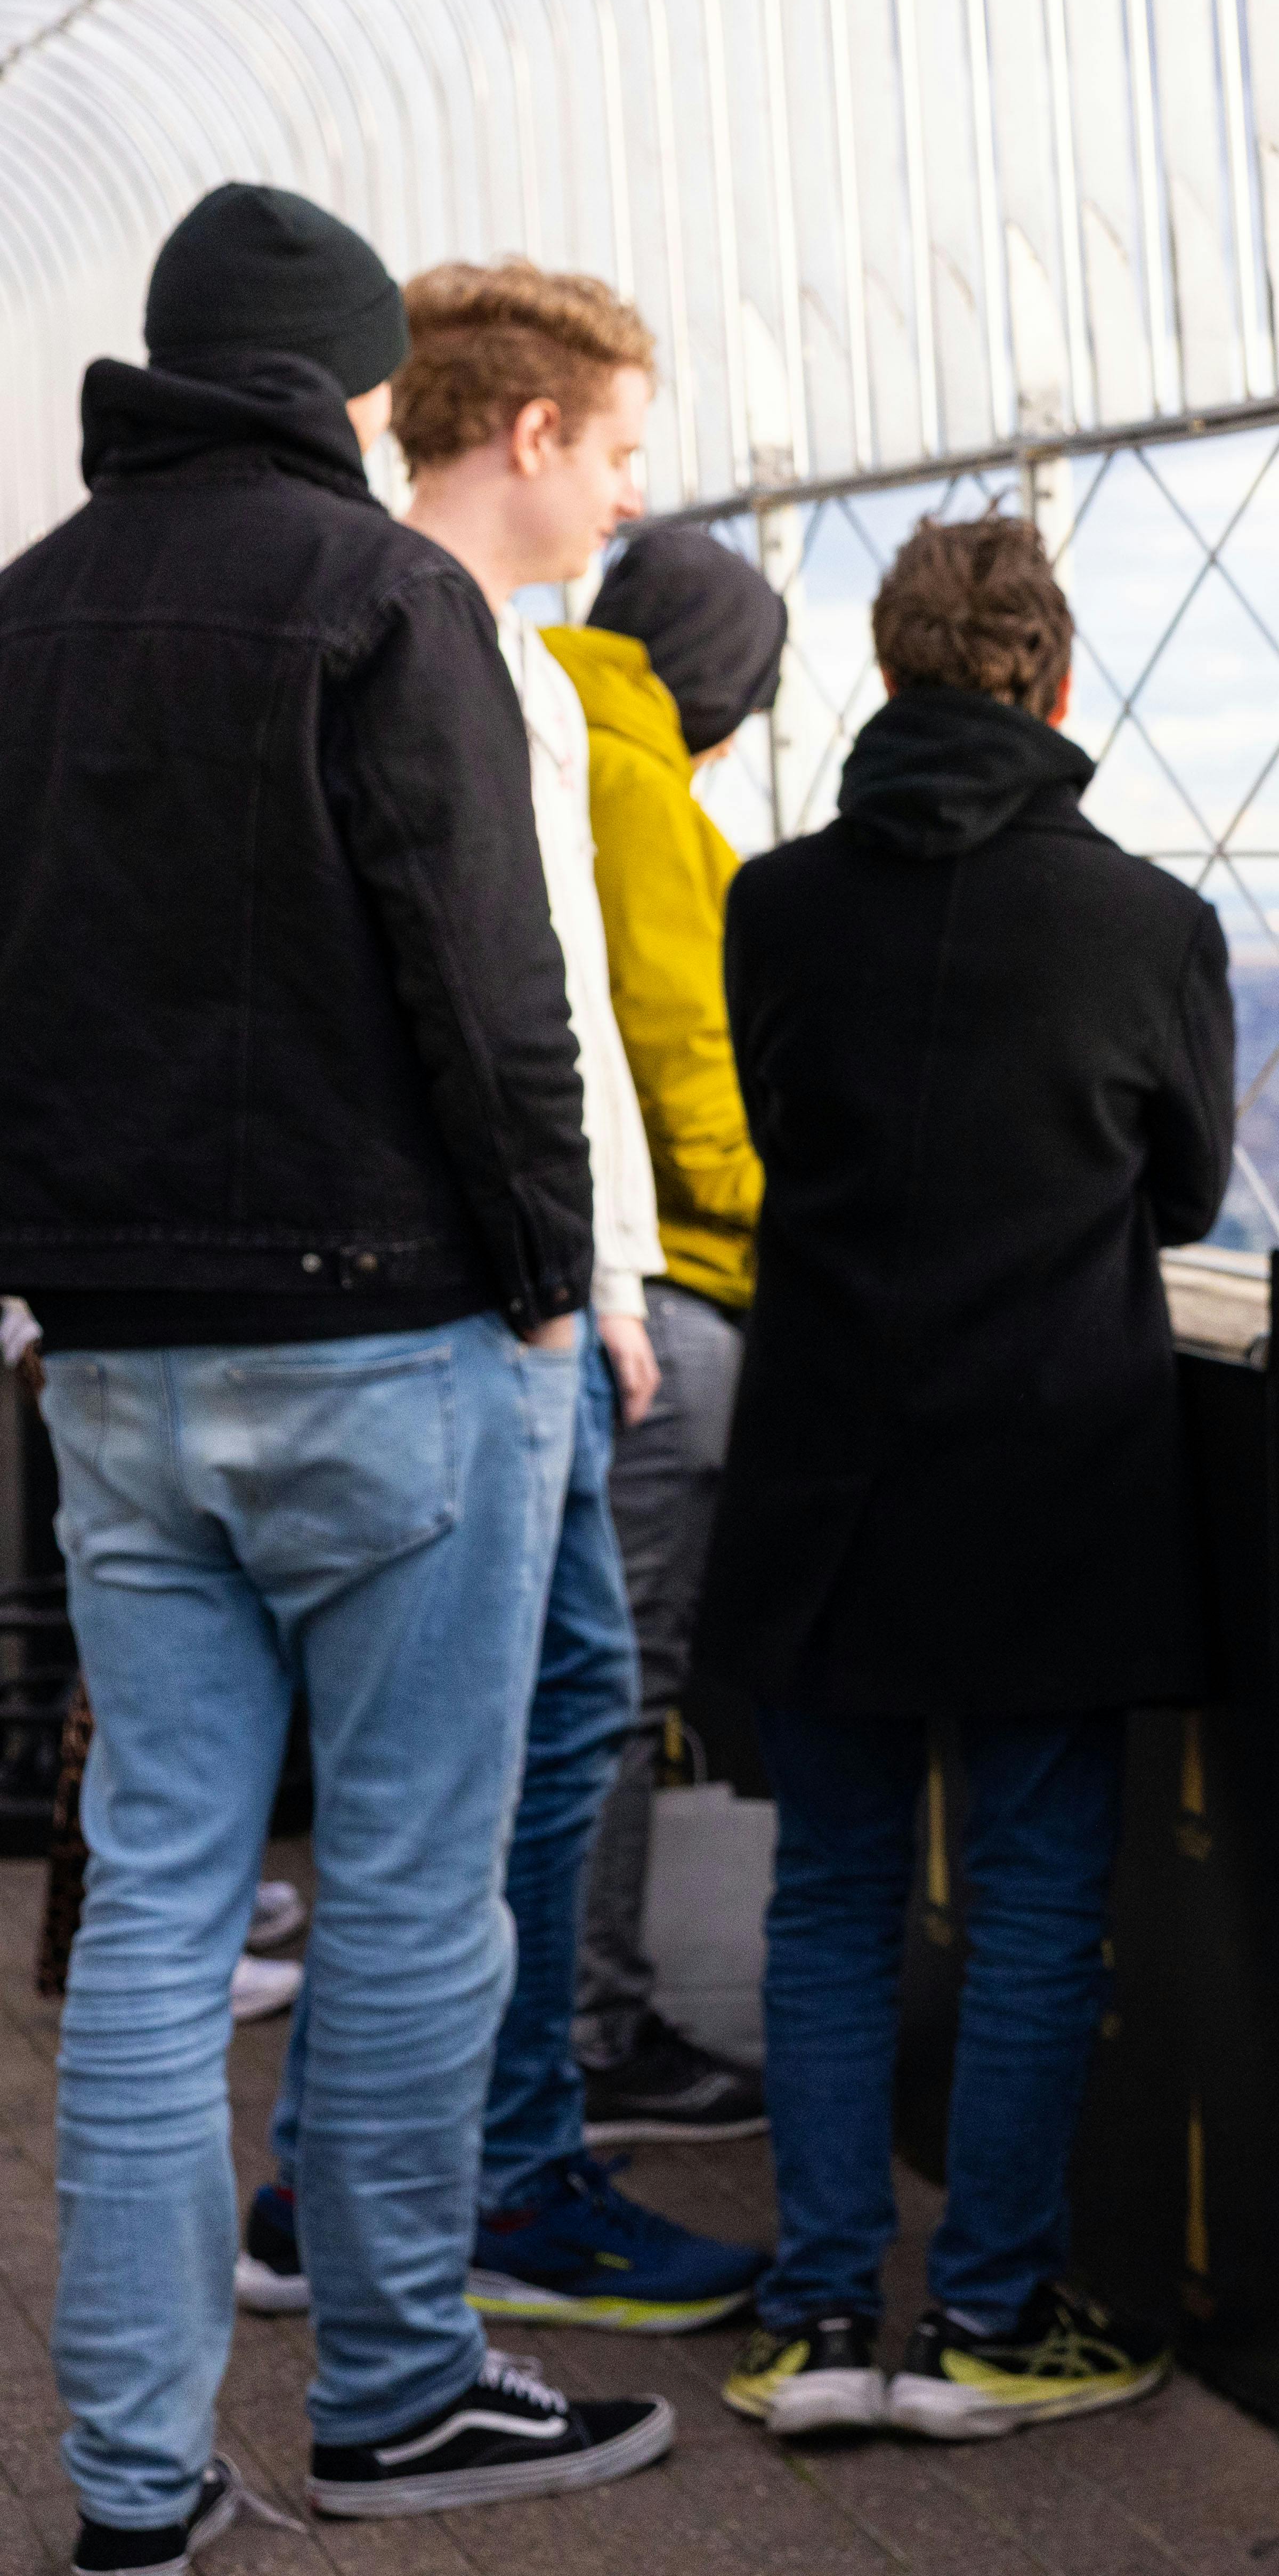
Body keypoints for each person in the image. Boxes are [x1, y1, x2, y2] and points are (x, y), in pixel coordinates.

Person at [0, 183, 670, 2564]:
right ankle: (389, 2394)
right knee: (410, 1897)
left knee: (161, 1906)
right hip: (392, 1340)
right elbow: (492, 992)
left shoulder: (27, 615)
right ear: (347, 384)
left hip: (115, 1364)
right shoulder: (385, 597)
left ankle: (135, 2485)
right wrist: (537, 1281)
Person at [237, 264, 768, 2344]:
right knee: (514, 1757)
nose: (631, 496)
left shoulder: (373, 633)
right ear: (528, 434)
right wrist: (590, 1282)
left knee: (433, 1773)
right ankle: (487, 2185)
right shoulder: (473, 662)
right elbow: (536, 1015)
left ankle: (351, 2190)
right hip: (508, 1313)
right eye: (621, 449)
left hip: (448, 1297)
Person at [704, 512, 1231, 2443]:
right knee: (1028, 1907)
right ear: (1056, 682)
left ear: (892, 670)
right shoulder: (1148, 922)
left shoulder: (773, 905)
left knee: (831, 1897)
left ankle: (818, 2322)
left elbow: (782, 1144)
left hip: (827, 1463)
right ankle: (997, 2321)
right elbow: (1179, 1194)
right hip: (1051, 1472)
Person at [546, 526, 793, 2145]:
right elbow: (687, 1078)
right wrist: (804, 1216)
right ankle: (594, 2038)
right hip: (671, 1299)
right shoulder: (637, 797)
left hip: (576, 1291)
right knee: (612, 1692)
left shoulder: (549, 729)